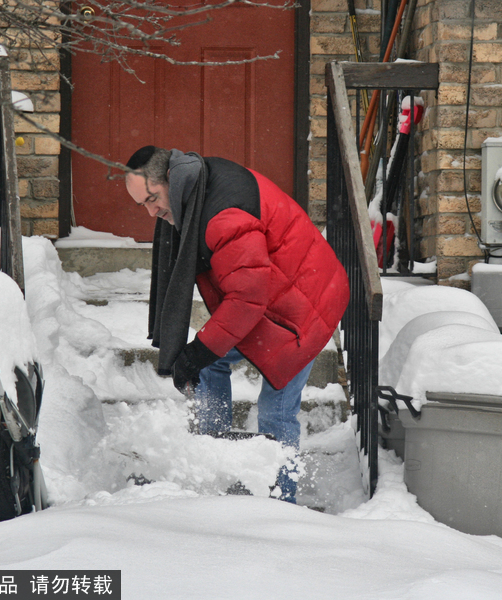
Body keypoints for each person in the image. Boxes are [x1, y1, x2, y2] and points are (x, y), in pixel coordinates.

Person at [124, 146, 349, 503]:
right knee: (210, 361)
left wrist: (196, 352)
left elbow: (247, 299)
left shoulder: (221, 216)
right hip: (275, 296)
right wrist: (199, 354)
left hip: (304, 307)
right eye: (143, 205)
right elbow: (249, 296)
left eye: (153, 198)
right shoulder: (197, 187)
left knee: (276, 411)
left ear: (170, 179)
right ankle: (214, 460)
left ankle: (280, 503)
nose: (152, 212)